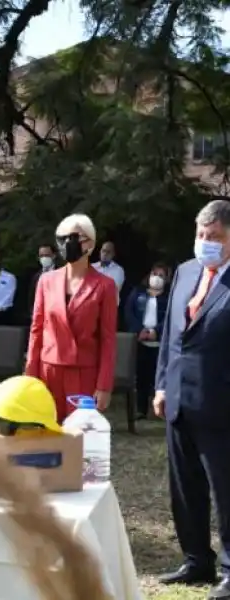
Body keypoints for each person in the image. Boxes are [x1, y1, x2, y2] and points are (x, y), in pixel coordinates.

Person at [154, 199, 230, 598]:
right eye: (201, 236)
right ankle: (196, 559)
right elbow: (170, 336)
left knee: (225, 488)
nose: (206, 243)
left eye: (215, 237)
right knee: (185, 485)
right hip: (179, 399)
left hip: (221, 402)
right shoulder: (185, 271)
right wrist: (160, 385)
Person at [25, 214, 117, 423]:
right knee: (48, 436)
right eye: (63, 238)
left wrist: (103, 386)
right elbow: (36, 330)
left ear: (91, 243)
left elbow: (108, 338)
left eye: (75, 237)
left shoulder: (105, 285)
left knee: (80, 439)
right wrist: (30, 375)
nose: (69, 243)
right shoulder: (46, 281)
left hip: (84, 373)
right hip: (48, 370)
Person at [123, 261, 170, 420]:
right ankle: (141, 410)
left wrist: (155, 332)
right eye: (154, 274)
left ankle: (160, 409)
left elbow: (171, 318)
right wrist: (139, 330)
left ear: (167, 279)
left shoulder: (169, 297)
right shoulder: (138, 292)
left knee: (158, 377)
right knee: (141, 376)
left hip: (160, 342)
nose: (157, 278)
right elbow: (129, 312)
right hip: (140, 341)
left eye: (161, 276)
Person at [24, 243, 59, 323]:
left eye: (47, 255)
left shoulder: (62, 273)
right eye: (41, 256)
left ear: (54, 256)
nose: (44, 258)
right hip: (40, 317)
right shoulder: (36, 276)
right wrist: (32, 313)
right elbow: (31, 297)